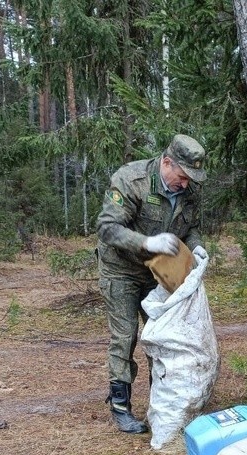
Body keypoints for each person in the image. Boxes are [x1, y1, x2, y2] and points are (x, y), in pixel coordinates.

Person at [96, 134, 207, 433]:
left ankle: (162, 402)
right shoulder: (132, 180)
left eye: (190, 178)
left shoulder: (189, 190)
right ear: (167, 162)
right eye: (182, 176)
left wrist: (197, 247)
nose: (185, 183)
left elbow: (191, 227)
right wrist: (146, 242)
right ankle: (121, 406)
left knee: (161, 336)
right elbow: (107, 228)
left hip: (157, 272)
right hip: (120, 268)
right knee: (125, 336)